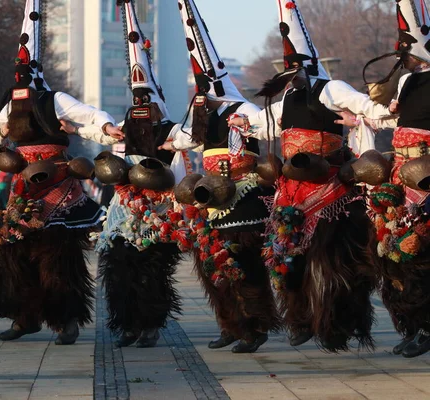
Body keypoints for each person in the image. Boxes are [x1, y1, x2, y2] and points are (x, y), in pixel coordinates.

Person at [0, 0, 123, 344]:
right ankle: (24, 318)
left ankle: (65, 319)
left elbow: (88, 115)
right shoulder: (11, 106)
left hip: (58, 185)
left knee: (58, 255)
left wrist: (107, 127)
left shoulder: (55, 100)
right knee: (14, 252)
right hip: (22, 187)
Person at [228, 0, 392, 352]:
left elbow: (364, 105)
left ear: (307, 65)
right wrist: (243, 124)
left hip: (330, 188)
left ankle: (339, 320)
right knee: (290, 257)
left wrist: (381, 111)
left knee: (334, 261)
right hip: (291, 191)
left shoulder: (330, 89)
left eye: (295, 69)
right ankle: (300, 317)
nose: (291, 76)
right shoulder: (287, 99)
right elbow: (261, 121)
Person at [160, 0, 282, 353]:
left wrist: (246, 125)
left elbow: (263, 122)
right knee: (212, 263)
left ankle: (256, 326)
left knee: (244, 264)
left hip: (244, 196)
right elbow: (183, 138)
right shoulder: (201, 115)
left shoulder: (241, 107)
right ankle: (229, 323)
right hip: (211, 197)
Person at [89, 0, 197, 348]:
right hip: (123, 208)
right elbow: (100, 133)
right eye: (136, 100)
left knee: (152, 269)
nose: (140, 106)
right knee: (119, 268)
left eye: (145, 101)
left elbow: (191, 140)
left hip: (158, 208)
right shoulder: (124, 127)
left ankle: (150, 324)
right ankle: (126, 324)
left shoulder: (169, 129)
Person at [336, 0, 430, 358]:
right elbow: (393, 119)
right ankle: (413, 322)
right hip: (400, 178)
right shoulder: (407, 81)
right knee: (391, 253)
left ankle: (426, 324)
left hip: (426, 179)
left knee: (419, 253)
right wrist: (358, 121)